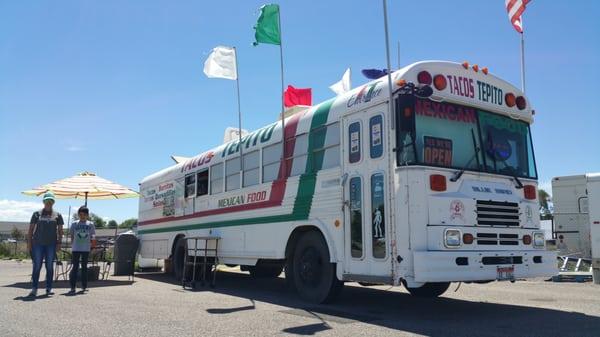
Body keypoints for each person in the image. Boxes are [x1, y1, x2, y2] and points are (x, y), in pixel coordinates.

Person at [27, 191, 64, 297]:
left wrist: (59, 243)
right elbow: (31, 230)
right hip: (37, 244)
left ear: (53, 202)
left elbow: (60, 231)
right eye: (47, 200)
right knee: (37, 266)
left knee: (49, 266)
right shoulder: (36, 214)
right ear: (44, 201)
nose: (49, 202)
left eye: (51, 200)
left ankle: (49, 288)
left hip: (51, 244)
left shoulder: (58, 215)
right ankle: (34, 288)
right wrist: (29, 243)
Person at [68, 206, 96, 294]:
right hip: (76, 248)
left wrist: (93, 247)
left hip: (86, 249)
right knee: (75, 267)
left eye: (84, 214)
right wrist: (73, 244)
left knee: (84, 268)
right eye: (80, 214)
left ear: (87, 215)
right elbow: (71, 235)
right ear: (78, 215)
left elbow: (93, 237)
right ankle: (73, 286)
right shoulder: (74, 224)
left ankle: (84, 286)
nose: (82, 216)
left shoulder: (90, 224)